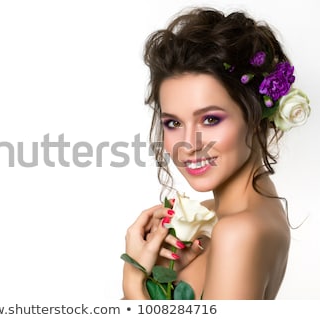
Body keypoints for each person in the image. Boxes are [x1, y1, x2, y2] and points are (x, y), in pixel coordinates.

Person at [122, 7, 311, 300]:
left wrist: (135, 283)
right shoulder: (211, 215)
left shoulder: (240, 232)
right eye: (173, 123)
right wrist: (158, 275)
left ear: (255, 116)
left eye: (210, 119)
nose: (188, 143)